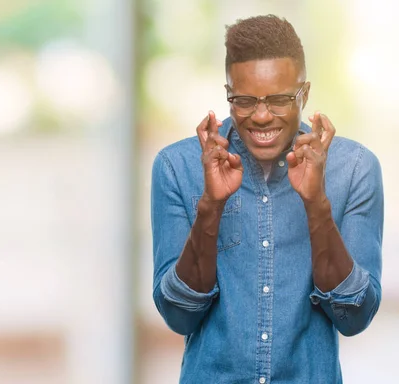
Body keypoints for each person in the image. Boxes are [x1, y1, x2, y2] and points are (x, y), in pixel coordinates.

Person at [150, 15, 383, 383]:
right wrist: (211, 205)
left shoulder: (354, 169)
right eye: (244, 100)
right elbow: (179, 317)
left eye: (278, 100)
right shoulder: (177, 167)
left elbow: (355, 317)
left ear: (304, 94)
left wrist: (317, 205)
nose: (260, 116)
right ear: (228, 94)